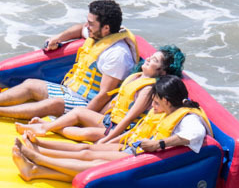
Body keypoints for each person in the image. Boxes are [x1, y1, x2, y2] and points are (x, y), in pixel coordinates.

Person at [11, 74, 212, 184]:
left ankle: (38, 159)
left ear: (167, 101)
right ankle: (37, 153)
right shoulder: (169, 109)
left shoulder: (189, 119)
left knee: (95, 161)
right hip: (137, 148)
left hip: (151, 161)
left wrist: (158, 143)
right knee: (87, 150)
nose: (153, 106)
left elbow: (193, 135)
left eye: (156, 102)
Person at [0, 0, 137, 121]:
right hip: (71, 91)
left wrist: (82, 117)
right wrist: (58, 38)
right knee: (30, 84)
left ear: (106, 28)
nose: (87, 26)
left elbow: (104, 95)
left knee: (54, 104)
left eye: (91, 23)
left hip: (87, 103)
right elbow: (78, 29)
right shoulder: (97, 34)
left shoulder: (117, 55)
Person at [14, 45, 185, 143]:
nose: (147, 59)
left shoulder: (148, 89)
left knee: (80, 133)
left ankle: (48, 128)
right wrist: (93, 117)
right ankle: (45, 127)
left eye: (154, 61)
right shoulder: (136, 76)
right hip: (108, 121)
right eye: (151, 57)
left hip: (118, 129)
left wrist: (107, 139)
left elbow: (128, 118)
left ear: (162, 72)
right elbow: (114, 102)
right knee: (78, 113)